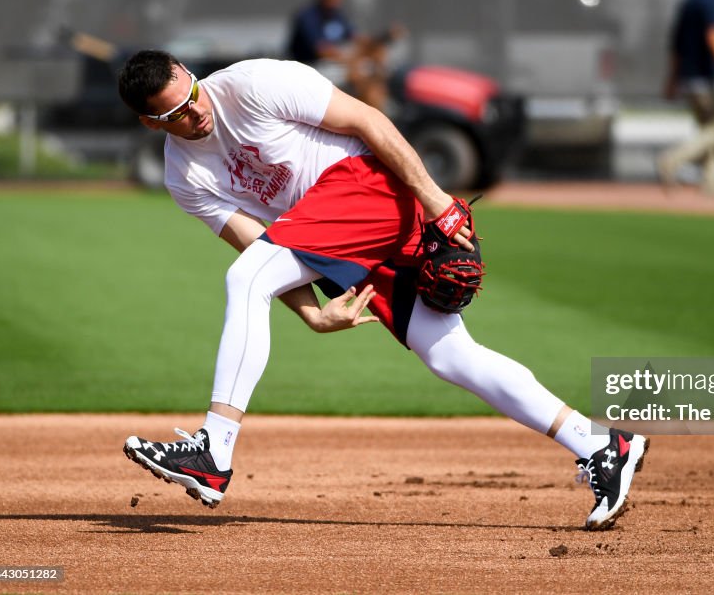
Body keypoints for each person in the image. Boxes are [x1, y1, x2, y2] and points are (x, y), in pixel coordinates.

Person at [116, 50, 648, 530]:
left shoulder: (255, 83)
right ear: (149, 123)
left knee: (245, 279)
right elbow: (253, 240)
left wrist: (435, 198)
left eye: (190, 95)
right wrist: (311, 314)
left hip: (367, 185)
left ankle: (215, 449)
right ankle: (601, 443)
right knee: (450, 356)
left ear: (187, 72)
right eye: (174, 114)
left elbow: (368, 121)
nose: (193, 111)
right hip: (330, 236)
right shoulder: (184, 175)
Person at [657, 0, 714, 198]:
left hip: (688, 80)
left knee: (707, 131)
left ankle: (711, 185)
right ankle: (671, 160)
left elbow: (676, 45)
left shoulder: (688, 4)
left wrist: (672, 79)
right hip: (708, 79)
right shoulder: (712, 2)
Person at [287, 0, 403, 111]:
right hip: (311, 68)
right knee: (360, 75)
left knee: (377, 58)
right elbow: (322, 51)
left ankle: (380, 108)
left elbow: (357, 39)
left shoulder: (337, 15)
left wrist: (382, 38)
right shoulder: (307, 16)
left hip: (338, 64)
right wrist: (351, 59)